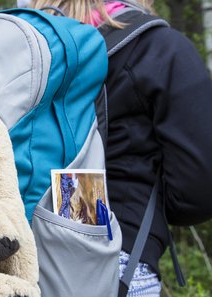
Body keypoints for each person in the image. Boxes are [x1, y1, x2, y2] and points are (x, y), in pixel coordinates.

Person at [18, 0, 212, 295]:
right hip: (117, 262)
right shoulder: (156, 47)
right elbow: (198, 191)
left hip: (17, 260)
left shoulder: (24, 46)